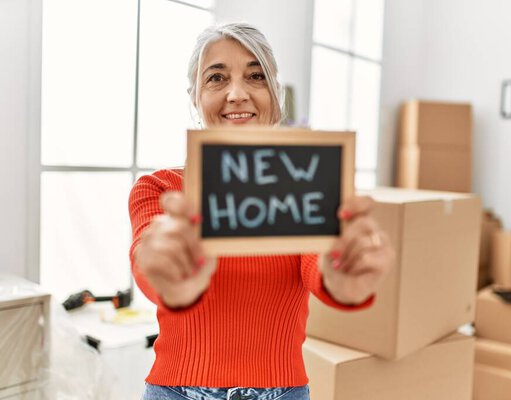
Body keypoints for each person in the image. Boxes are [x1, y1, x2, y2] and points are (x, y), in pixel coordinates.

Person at [129, 22, 394, 400]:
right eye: (216, 78)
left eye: (255, 76)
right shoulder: (158, 188)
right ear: (195, 97)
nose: (237, 94)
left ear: (274, 93)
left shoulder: (307, 182)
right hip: (175, 391)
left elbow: (315, 261)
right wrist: (169, 275)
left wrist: (342, 274)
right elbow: (146, 263)